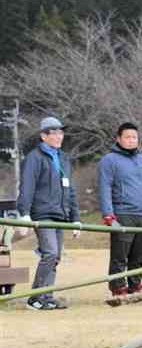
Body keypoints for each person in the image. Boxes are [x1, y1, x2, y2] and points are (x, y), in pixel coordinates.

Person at [17, 117, 81, 311]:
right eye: (54, 133)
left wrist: (76, 217)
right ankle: (35, 298)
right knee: (50, 253)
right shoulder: (34, 158)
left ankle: (47, 297)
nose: (59, 136)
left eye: (61, 132)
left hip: (60, 214)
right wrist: (24, 213)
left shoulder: (63, 158)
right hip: (42, 213)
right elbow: (27, 186)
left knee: (56, 256)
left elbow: (70, 190)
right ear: (44, 136)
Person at [97, 122, 142, 300]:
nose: (131, 140)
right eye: (127, 137)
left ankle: (135, 286)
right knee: (120, 254)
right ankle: (118, 288)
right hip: (122, 212)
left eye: (134, 137)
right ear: (118, 139)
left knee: (139, 254)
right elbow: (104, 187)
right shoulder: (109, 160)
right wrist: (108, 214)